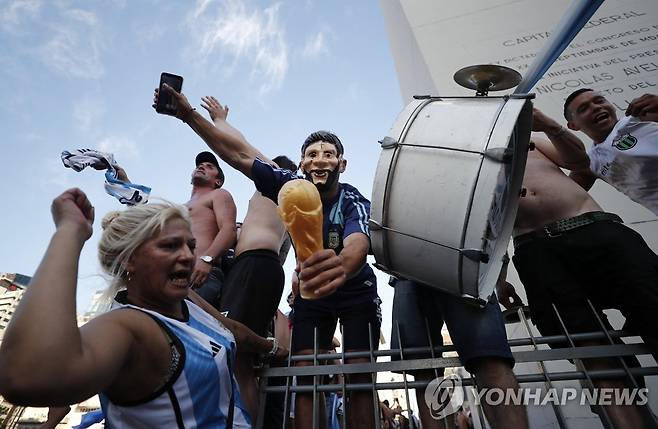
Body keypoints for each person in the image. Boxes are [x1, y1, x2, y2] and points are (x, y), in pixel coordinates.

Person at [153, 86, 381, 428]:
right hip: (312, 296)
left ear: (342, 164)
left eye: (329, 154)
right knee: (304, 375)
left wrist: (344, 265)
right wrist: (189, 116)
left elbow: (358, 241)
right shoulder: (289, 185)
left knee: (359, 375)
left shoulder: (352, 199)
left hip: (356, 292)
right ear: (302, 163)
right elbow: (239, 154)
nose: (320, 160)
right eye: (312, 154)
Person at [0, 188, 286, 428]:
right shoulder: (130, 326)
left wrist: (270, 347)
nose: (188, 256)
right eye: (170, 246)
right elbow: (25, 377)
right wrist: (69, 233)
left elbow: (232, 331)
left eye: (190, 245)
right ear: (129, 260)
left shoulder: (185, 300)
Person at [497, 136, 658, 428]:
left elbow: (581, 163)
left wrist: (547, 125)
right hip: (535, 249)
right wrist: (499, 279)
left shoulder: (526, 136)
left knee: (654, 307)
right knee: (585, 345)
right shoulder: (467, 164)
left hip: (595, 228)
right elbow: (485, 229)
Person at [198, 95, 297, 421]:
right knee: (235, 356)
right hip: (249, 267)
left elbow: (241, 146)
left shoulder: (285, 185)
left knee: (239, 357)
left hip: (257, 266)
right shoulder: (273, 198)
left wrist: (221, 122)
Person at [390, 275, 528, 429]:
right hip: (403, 269)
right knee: (424, 372)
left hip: (465, 263)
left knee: (490, 359)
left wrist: (500, 279)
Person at [113, 153, 237, 307]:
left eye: (209, 167)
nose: (202, 166)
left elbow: (228, 229)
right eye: (200, 165)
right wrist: (124, 182)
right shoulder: (179, 208)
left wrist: (207, 259)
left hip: (200, 274)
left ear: (218, 181)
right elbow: (149, 220)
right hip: (171, 275)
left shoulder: (218, 194)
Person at [533, 90, 658, 215]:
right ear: (573, 126)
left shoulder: (641, 118)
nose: (596, 107)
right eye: (583, 109)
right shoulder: (589, 163)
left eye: (600, 101)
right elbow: (560, 198)